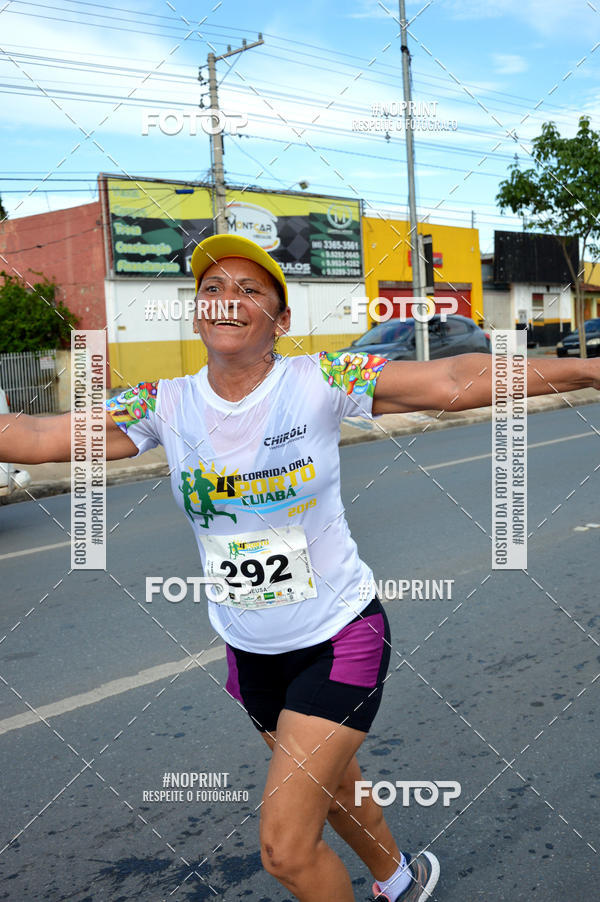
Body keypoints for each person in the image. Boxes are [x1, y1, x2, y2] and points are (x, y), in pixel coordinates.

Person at [3, 233, 599, 902]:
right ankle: (401, 879)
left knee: (285, 851)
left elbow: (456, 378)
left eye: (247, 290)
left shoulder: (322, 380)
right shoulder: (162, 405)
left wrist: (594, 371)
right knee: (336, 786)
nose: (226, 301)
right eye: (211, 290)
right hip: (250, 654)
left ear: (280, 320)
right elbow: (33, 435)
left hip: (340, 638)